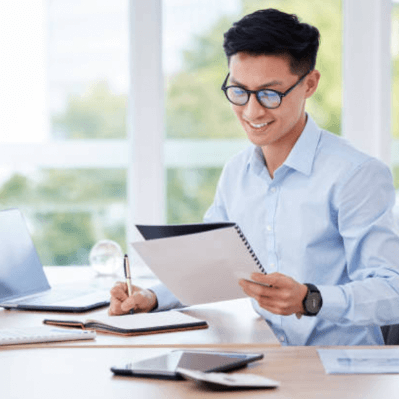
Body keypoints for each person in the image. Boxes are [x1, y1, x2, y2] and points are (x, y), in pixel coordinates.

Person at [109, 8, 399, 346]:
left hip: (338, 368)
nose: (252, 111)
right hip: (266, 356)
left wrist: (310, 298)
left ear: (309, 84)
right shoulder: (237, 173)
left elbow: (391, 289)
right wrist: (152, 297)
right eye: (239, 91)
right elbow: (210, 266)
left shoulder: (355, 175)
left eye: (269, 94)